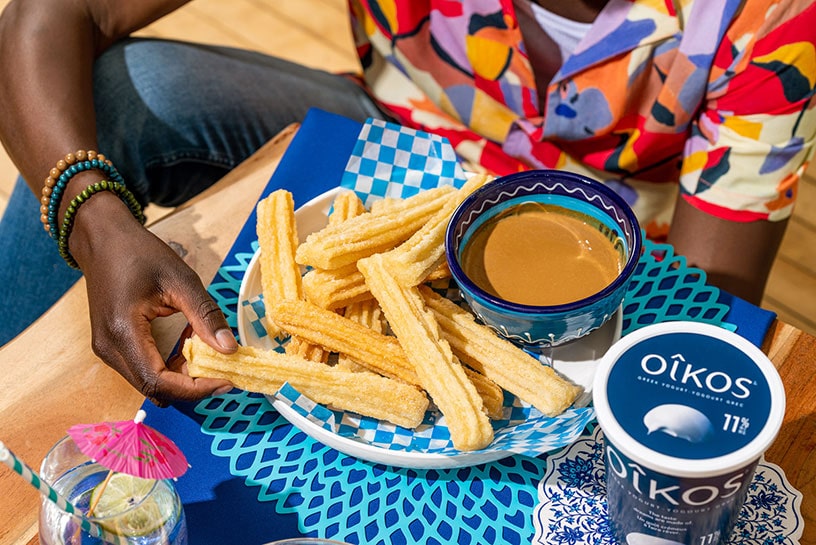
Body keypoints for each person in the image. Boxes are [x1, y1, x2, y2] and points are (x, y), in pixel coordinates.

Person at [0, 0, 813, 405]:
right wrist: (94, 219)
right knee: (115, 101)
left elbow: (709, 306)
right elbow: (51, 14)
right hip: (379, 139)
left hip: (594, 252)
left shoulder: (773, 19)